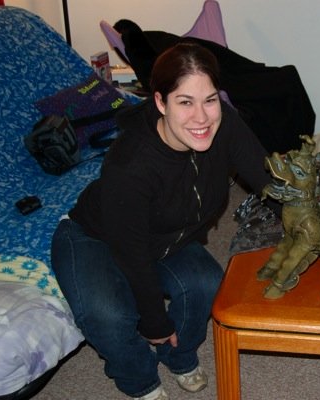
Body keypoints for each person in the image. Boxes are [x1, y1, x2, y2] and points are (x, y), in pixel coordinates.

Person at [51, 41, 276, 400]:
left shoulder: (223, 123)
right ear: (160, 102)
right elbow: (131, 253)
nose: (202, 118)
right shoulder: (131, 165)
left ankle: (179, 355)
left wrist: (304, 212)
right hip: (94, 238)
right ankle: (140, 379)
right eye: (185, 102)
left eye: (209, 99)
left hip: (163, 235)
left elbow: (268, 178)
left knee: (206, 282)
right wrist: (154, 320)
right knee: (110, 315)